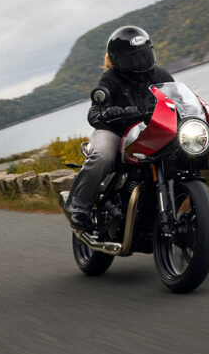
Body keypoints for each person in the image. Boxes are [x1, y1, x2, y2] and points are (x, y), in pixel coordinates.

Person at [64, 25, 173, 232]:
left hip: (150, 129)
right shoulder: (110, 79)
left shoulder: (160, 75)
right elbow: (94, 113)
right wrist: (113, 113)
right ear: (117, 61)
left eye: (143, 55)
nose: (139, 62)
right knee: (103, 156)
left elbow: (176, 100)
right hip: (116, 131)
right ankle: (79, 208)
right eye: (132, 59)